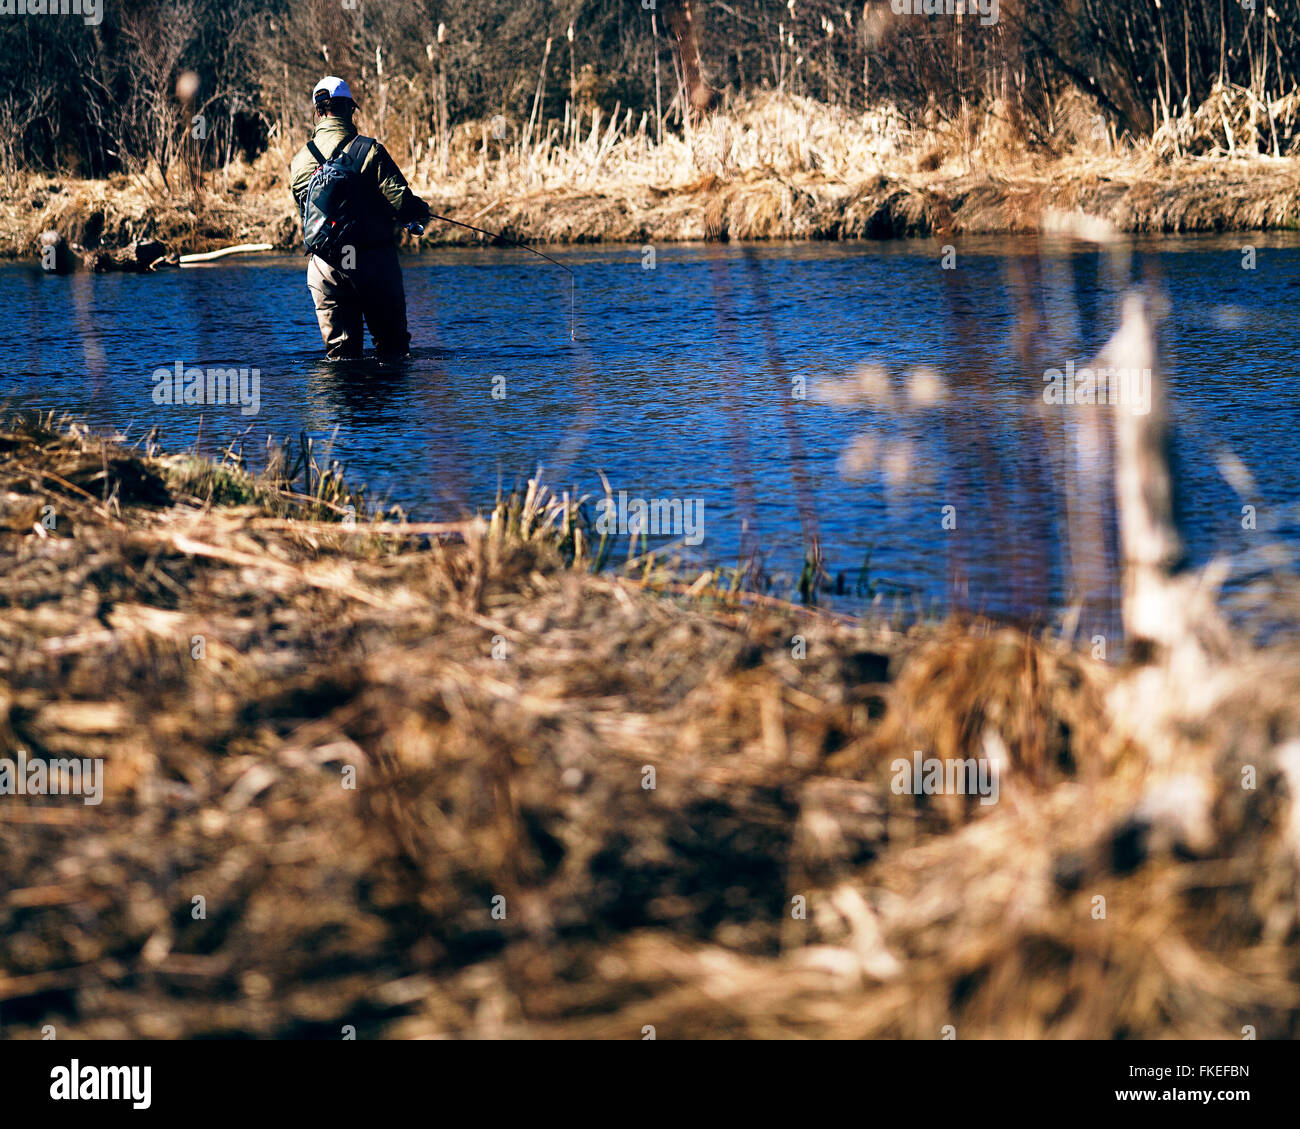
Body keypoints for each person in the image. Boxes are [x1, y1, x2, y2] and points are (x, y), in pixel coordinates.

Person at [289, 76, 431, 359]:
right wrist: (419, 212)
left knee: (341, 359)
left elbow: (306, 217)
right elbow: (402, 203)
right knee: (393, 354)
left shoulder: (300, 160)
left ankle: (339, 402)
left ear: (318, 112)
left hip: (324, 267)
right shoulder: (370, 150)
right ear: (350, 109)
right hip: (372, 264)